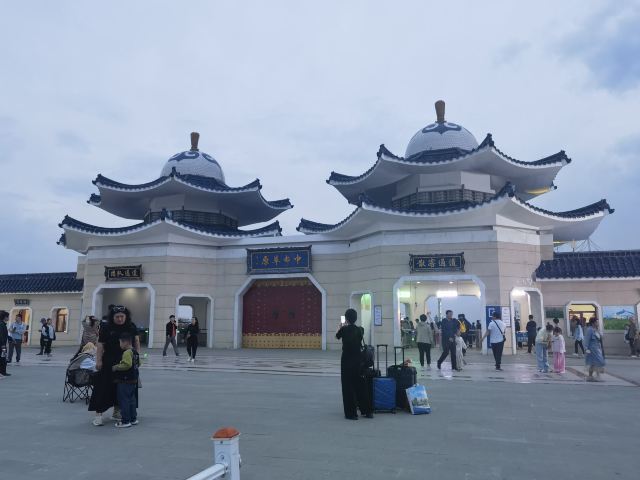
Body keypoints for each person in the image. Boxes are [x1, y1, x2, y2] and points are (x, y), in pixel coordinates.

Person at [89, 305, 140, 426]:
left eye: (122, 316)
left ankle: (117, 412)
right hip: (109, 361)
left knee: (123, 389)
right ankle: (98, 415)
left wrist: (137, 357)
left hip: (126, 362)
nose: (120, 319)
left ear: (126, 316)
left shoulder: (131, 326)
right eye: (117, 317)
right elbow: (100, 344)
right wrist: (98, 361)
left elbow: (136, 341)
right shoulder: (106, 327)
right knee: (102, 388)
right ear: (112, 317)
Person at [335, 308, 372, 420]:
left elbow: (337, 336)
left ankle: (351, 413)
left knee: (348, 387)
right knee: (361, 385)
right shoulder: (360, 329)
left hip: (346, 360)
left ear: (346, 318)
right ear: (356, 318)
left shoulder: (343, 329)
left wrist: (341, 325)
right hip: (358, 360)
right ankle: (367, 411)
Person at [111, 333, 140, 428]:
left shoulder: (127, 352)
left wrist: (116, 367)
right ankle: (133, 419)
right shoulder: (135, 352)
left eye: (120, 342)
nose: (120, 345)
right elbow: (139, 363)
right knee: (132, 400)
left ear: (125, 342)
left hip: (124, 381)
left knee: (124, 401)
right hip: (133, 380)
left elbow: (127, 365)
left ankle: (125, 421)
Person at [585, 317, 606, 382]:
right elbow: (587, 339)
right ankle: (597, 376)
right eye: (596, 322)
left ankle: (590, 376)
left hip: (597, 348)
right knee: (598, 362)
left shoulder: (596, 330)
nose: (598, 323)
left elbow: (600, 338)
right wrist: (586, 348)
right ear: (593, 323)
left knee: (593, 363)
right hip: (592, 349)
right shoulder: (590, 330)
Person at [0, 310, 10, 378]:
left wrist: (10, 338)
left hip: (2, 345)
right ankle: (2, 372)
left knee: (3, 357)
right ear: (4, 317)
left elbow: (4, 334)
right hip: (2, 345)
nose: (8, 318)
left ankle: (3, 372)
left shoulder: (2, 324)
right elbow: (1, 335)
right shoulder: (1, 324)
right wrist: (3, 345)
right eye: (7, 316)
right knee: (2, 358)